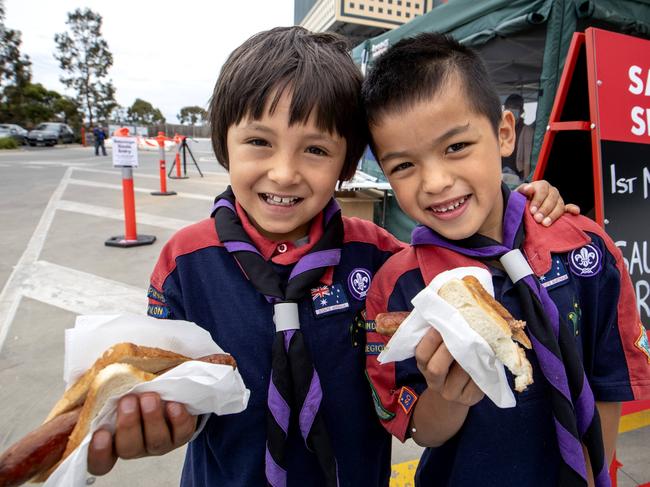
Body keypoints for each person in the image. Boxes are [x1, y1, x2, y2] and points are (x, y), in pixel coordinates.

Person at [85, 27, 576, 486]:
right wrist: (159, 419)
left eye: (316, 150)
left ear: (346, 163)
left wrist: (529, 208)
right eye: (258, 142)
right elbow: (167, 391)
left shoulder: (382, 258)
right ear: (223, 143)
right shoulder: (184, 262)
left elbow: (471, 264)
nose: (283, 173)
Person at [361, 32, 650, 486]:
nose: (435, 181)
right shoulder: (399, 291)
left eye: (456, 147)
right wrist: (448, 395)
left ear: (504, 134)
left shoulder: (584, 250)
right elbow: (418, 430)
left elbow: (607, 382)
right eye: (404, 166)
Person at [501, 93, 535, 181]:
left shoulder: (526, 130)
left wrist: (526, 182)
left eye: (515, 107)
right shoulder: (499, 128)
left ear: (521, 111)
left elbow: (527, 160)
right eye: (509, 107)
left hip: (517, 177)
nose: (512, 110)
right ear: (505, 109)